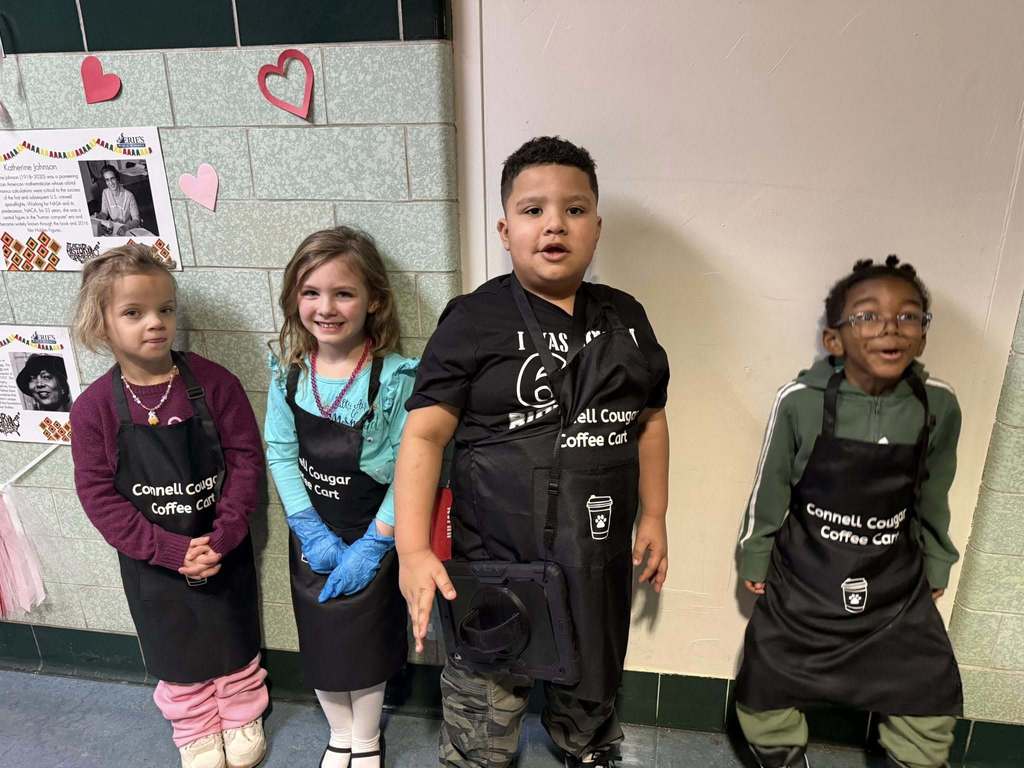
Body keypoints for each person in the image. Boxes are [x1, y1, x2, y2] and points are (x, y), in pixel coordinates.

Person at [395, 136, 671, 768]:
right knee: (485, 706)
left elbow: (650, 421)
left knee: (589, 685)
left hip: (593, 557)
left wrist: (653, 514)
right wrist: (412, 550)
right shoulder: (473, 319)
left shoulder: (626, 317)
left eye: (574, 210)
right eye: (533, 210)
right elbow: (425, 435)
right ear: (504, 227)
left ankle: (588, 745)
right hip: (495, 563)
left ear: (597, 228)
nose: (554, 224)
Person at [734, 256, 963, 768]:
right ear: (834, 340)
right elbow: (770, 487)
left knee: (927, 688)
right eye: (867, 315)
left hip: (892, 584)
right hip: (806, 577)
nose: (890, 328)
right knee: (765, 677)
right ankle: (779, 755)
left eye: (908, 316)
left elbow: (935, 491)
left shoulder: (937, 406)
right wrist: (756, 556)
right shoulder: (800, 401)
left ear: (923, 336)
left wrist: (937, 560)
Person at [69, 244, 268, 768]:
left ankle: (242, 710)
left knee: (232, 629)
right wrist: (167, 549)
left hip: (221, 543)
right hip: (151, 558)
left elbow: (246, 463)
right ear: (102, 324)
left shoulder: (215, 383)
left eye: (165, 309)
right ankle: (194, 723)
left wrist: (222, 535)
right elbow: (97, 495)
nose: (154, 323)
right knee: (174, 643)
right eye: (133, 313)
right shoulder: (93, 409)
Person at [265, 226, 416, 768]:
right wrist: (307, 527)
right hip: (313, 538)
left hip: (375, 531)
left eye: (343, 293)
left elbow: (411, 467)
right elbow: (280, 453)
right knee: (324, 641)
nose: (326, 307)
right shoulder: (288, 378)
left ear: (373, 299)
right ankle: (339, 736)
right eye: (311, 293)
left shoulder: (397, 378)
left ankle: (368, 739)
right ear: (293, 300)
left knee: (367, 646)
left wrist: (377, 542)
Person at [95, 164, 142, 236]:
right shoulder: (105, 192)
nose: (110, 183)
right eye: (107, 180)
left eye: (112, 178)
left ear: (117, 178)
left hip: (128, 228)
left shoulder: (129, 196)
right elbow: (104, 212)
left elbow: (136, 220)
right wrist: (99, 217)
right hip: (114, 228)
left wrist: (126, 227)